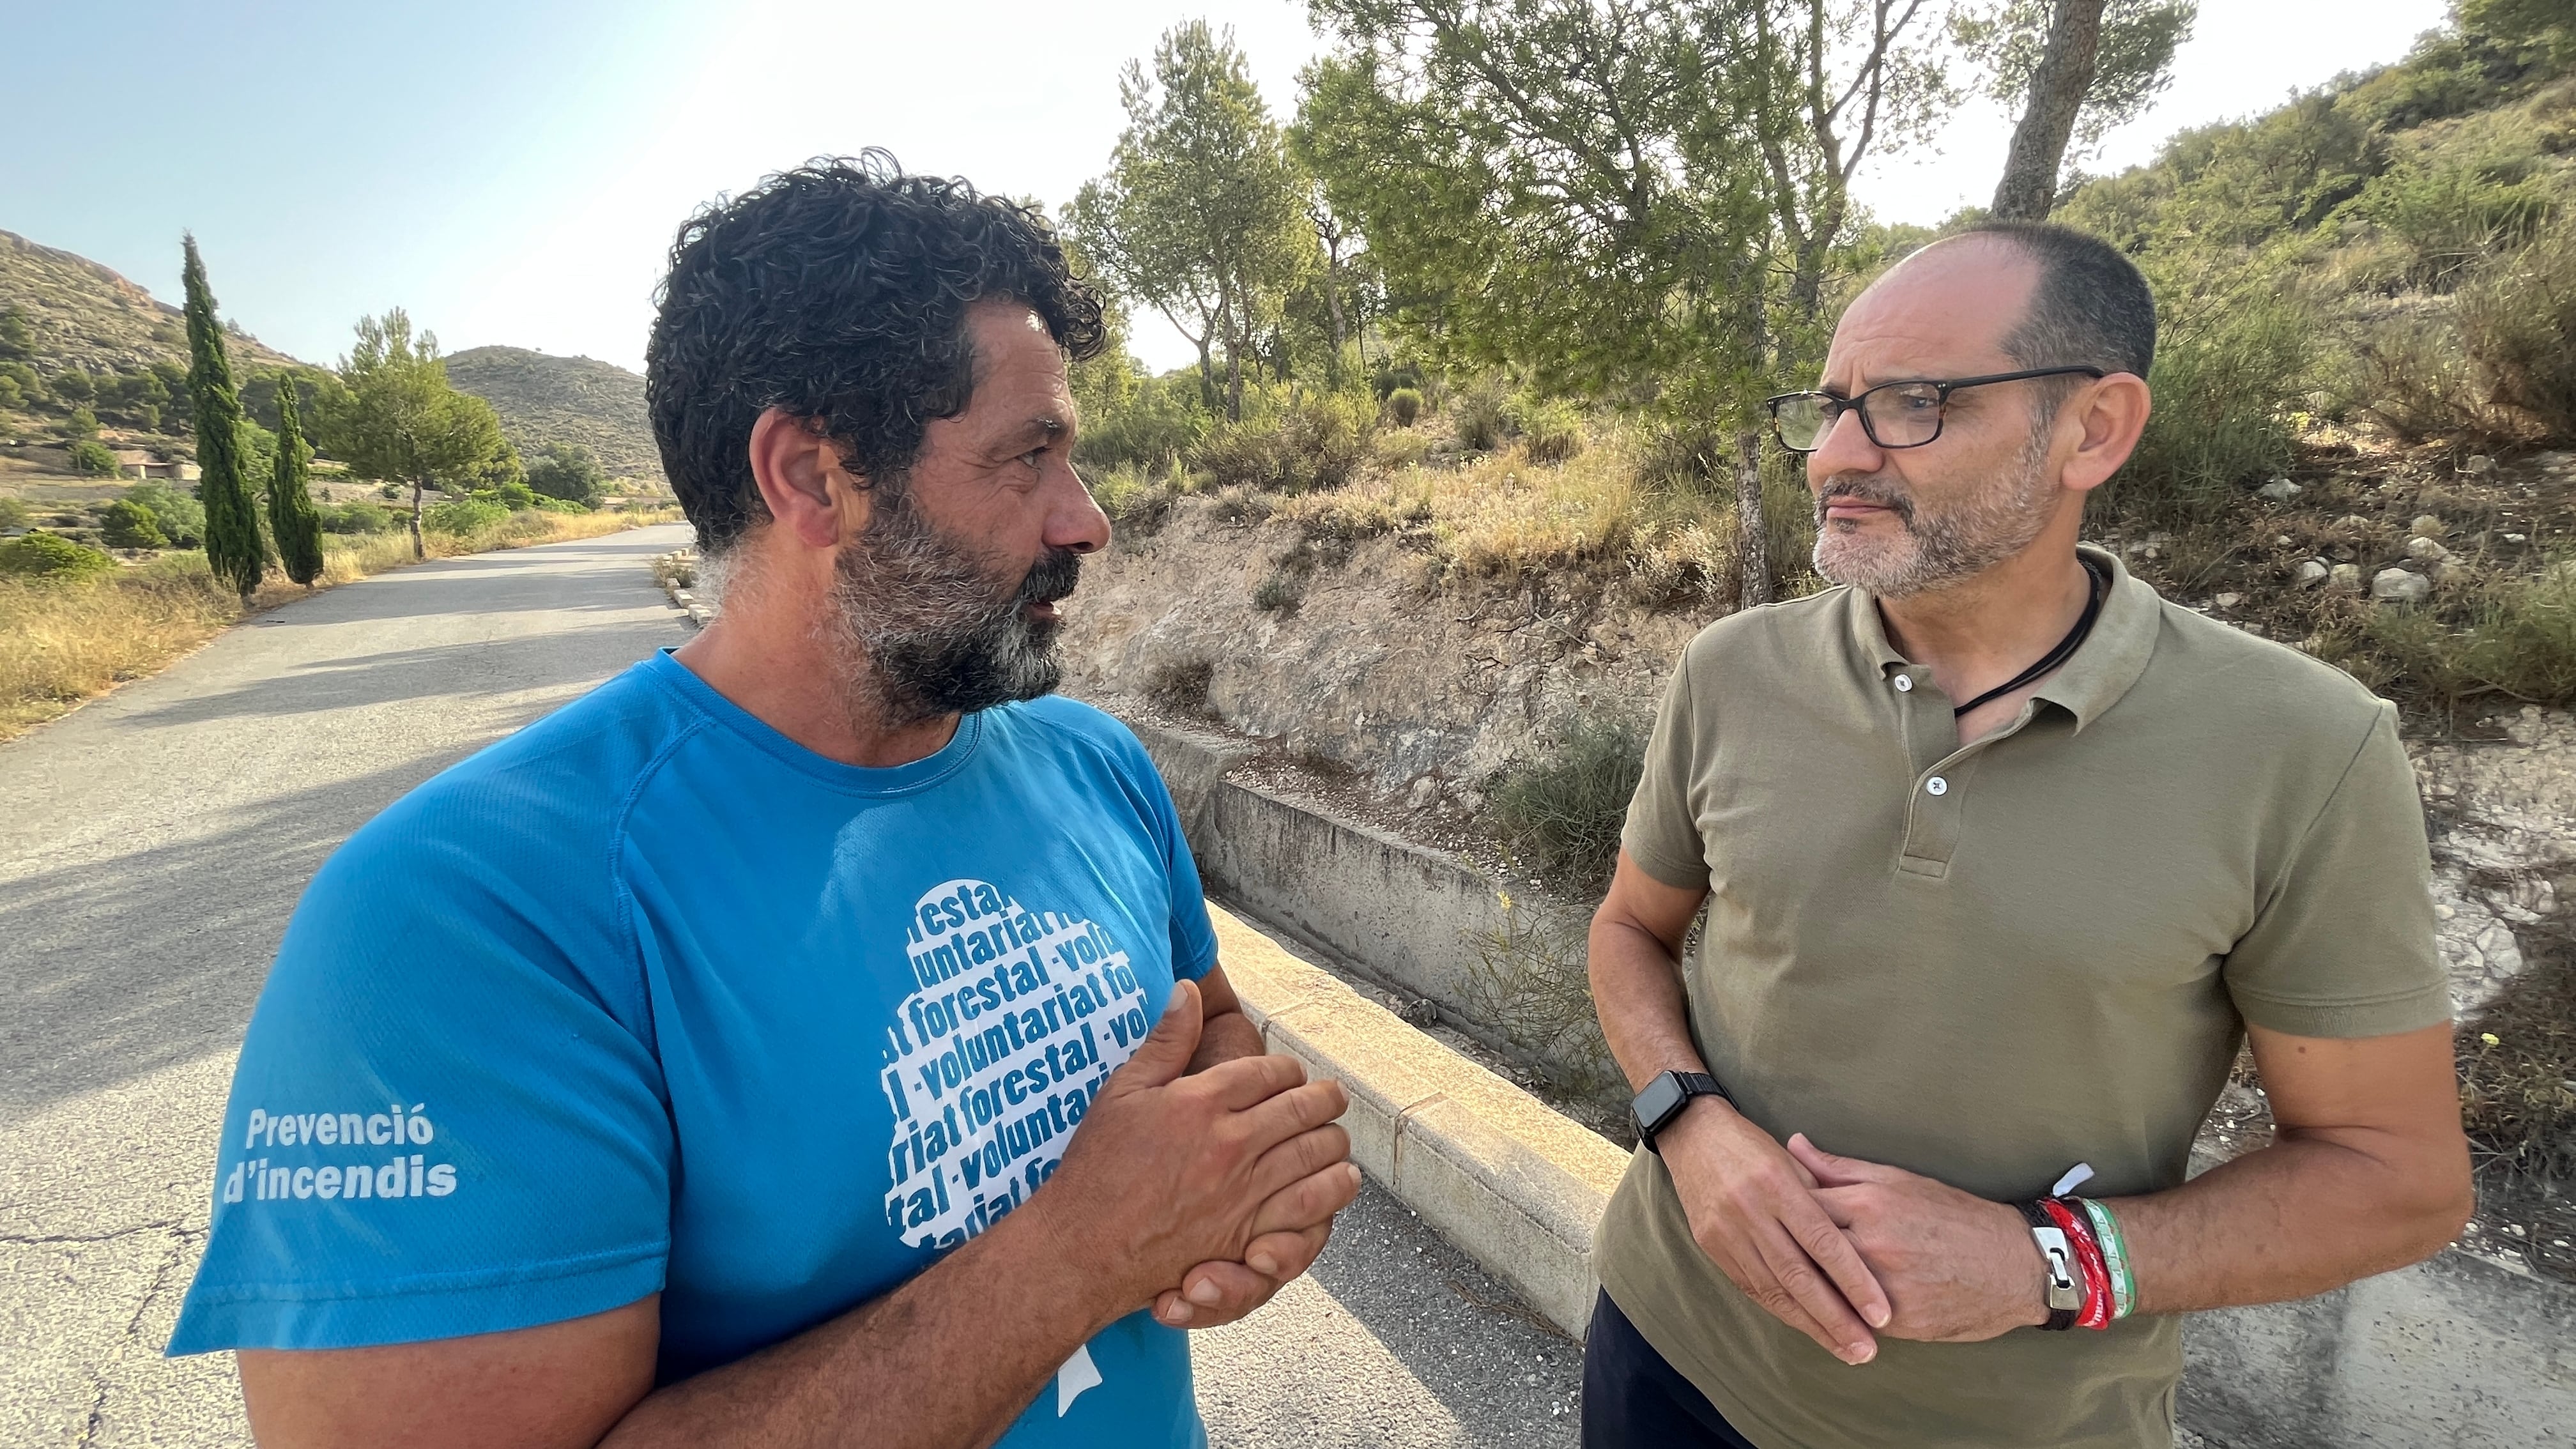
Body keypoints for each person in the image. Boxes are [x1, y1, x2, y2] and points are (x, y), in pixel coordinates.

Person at [166, 153, 1358, 1449]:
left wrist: (1242, 1194)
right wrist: (1076, 1256)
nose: (1089, 521)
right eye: (1028, 459)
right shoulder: (461, 918)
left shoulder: (1094, 764)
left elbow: (1208, 1029)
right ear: (808, 477)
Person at [1582, 221, 2474, 1449]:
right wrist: (1688, 1124)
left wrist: (2041, 1264)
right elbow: (1632, 928)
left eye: (1908, 404)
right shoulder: (1734, 671)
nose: (1836, 455)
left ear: (2093, 430)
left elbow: (2397, 1180)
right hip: (1665, 1356)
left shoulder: (2305, 749)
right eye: (1833, 406)